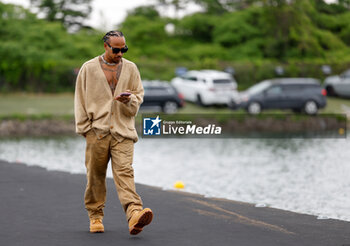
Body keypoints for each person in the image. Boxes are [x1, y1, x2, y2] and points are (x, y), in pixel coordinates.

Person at [74, 30, 153, 235]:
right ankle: (95, 216)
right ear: (106, 46)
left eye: (123, 49)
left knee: (125, 172)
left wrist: (130, 100)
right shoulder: (88, 68)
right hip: (96, 131)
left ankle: (135, 213)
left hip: (123, 131)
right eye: (116, 49)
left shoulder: (132, 68)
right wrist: (85, 129)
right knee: (95, 177)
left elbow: (138, 97)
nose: (120, 53)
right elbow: (80, 99)